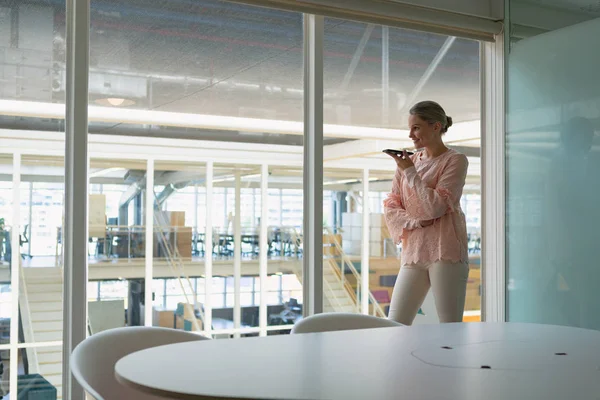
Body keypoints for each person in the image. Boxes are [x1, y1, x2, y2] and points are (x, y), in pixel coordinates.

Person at [383, 100, 469, 325]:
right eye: (410, 128)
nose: (411, 135)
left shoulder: (455, 161)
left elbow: (436, 207)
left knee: (450, 325)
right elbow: (391, 206)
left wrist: (410, 172)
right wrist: (416, 222)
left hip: (445, 250)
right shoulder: (407, 163)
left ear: (436, 126)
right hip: (414, 251)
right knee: (396, 322)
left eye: (416, 127)